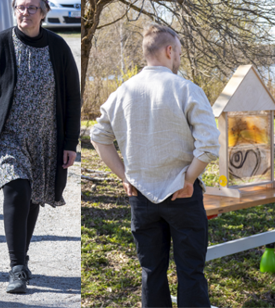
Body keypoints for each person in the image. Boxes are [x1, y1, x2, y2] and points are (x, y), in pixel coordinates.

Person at [89, 23, 218, 308]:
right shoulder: (186, 89)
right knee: (191, 273)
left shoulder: (122, 92)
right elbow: (208, 145)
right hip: (182, 195)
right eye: (179, 52)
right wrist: (189, 179)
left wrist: (125, 176)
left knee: (151, 273)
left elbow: (98, 136)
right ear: (170, 50)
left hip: (141, 197)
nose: (179, 58)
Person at [0, 0, 80, 294]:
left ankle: (22, 256)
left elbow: (72, 98)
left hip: (45, 138)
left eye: (31, 8)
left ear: (44, 12)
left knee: (33, 197)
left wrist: (70, 142)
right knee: (18, 187)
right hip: (6, 135)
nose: (24, 13)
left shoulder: (58, 47)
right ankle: (17, 267)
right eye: (20, 7)